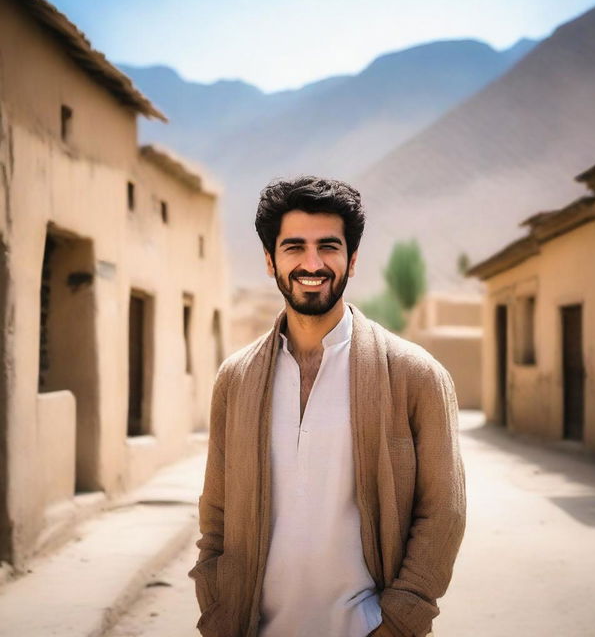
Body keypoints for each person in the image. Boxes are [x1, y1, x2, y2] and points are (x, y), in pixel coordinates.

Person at [188, 176, 466, 637]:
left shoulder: (415, 374)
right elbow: (215, 511)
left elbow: (443, 512)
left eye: (328, 247)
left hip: (367, 628)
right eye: (294, 247)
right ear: (269, 260)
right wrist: (215, 604)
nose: (312, 263)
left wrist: (400, 622)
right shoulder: (236, 379)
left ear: (352, 260)